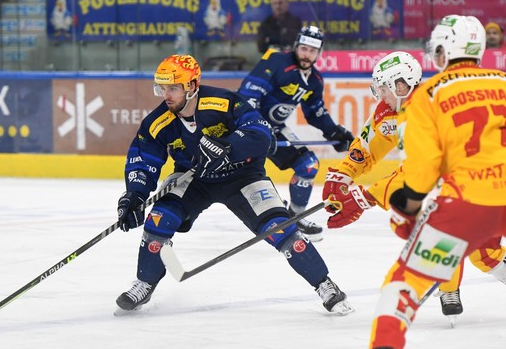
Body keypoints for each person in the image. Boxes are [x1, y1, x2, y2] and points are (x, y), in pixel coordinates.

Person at [114, 54, 354, 316]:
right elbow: (143, 159)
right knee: (158, 219)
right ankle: (145, 282)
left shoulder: (223, 101)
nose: (166, 95)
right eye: (162, 88)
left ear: (192, 86)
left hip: (242, 175)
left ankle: (325, 284)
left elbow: (260, 130)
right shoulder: (157, 122)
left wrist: (229, 147)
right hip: (194, 179)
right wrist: (134, 196)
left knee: (280, 228)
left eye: (173, 87)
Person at [346, 15, 506, 349]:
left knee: (406, 278)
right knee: (487, 255)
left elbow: (420, 175)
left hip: (469, 203)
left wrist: (407, 212)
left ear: (441, 50)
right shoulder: (504, 81)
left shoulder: (430, 94)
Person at [322, 50, 506, 327]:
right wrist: (343, 174)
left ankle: (448, 284)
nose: (380, 95)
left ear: (402, 84)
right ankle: (450, 284)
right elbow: (368, 148)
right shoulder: (390, 112)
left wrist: (367, 196)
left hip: (489, 175)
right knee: (483, 249)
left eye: (384, 87)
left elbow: (419, 172)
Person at [238, 26, 355, 240]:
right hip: (247, 127)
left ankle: (294, 217)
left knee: (308, 165)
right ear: (296, 47)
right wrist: (259, 129)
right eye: (303, 48)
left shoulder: (314, 80)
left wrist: (335, 133)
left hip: (274, 129)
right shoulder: (276, 61)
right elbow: (247, 97)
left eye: (312, 51)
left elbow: (315, 113)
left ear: (319, 53)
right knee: (240, 176)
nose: (307, 54)